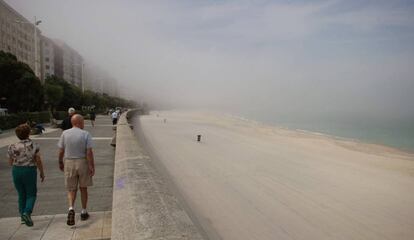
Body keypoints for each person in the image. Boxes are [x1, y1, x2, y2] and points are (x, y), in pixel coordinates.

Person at [58, 114, 95, 226]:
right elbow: (89, 152)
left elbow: (61, 151)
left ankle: (71, 209)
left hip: (69, 162)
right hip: (82, 162)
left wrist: (60, 161)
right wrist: (91, 166)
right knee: (83, 188)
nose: (84, 124)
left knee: (71, 189)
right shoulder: (86, 134)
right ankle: (83, 211)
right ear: (78, 122)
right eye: (83, 122)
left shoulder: (64, 133)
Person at [7, 124, 45, 227]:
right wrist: (41, 172)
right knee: (31, 194)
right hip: (29, 170)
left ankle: (22, 216)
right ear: (28, 133)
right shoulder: (34, 145)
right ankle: (27, 212)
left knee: (21, 193)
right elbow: (38, 160)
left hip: (16, 170)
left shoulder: (12, 146)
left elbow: (10, 162)